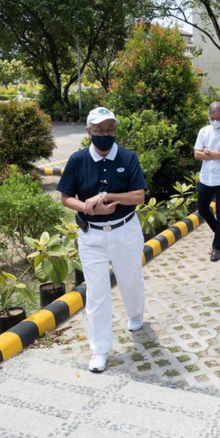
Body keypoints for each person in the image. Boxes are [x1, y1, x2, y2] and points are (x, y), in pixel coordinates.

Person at [57, 107, 147, 373]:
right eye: (98, 131)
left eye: (109, 130)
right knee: (96, 294)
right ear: (89, 132)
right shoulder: (77, 160)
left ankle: (136, 314)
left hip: (125, 231)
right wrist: (87, 207)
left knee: (130, 280)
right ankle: (100, 350)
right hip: (91, 236)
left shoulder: (128, 157)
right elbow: (65, 197)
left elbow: (138, 196)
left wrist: (107, 197)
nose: (104, 135)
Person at [194, 102, 220, 262]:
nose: (215, 121)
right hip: (206, 177)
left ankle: (217, 246)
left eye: (218, 118)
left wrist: (208, 151)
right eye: (212, 118)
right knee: (203, 209)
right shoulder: (204, 131)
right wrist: (215, 154)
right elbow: (196, 154)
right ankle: (219, 232)